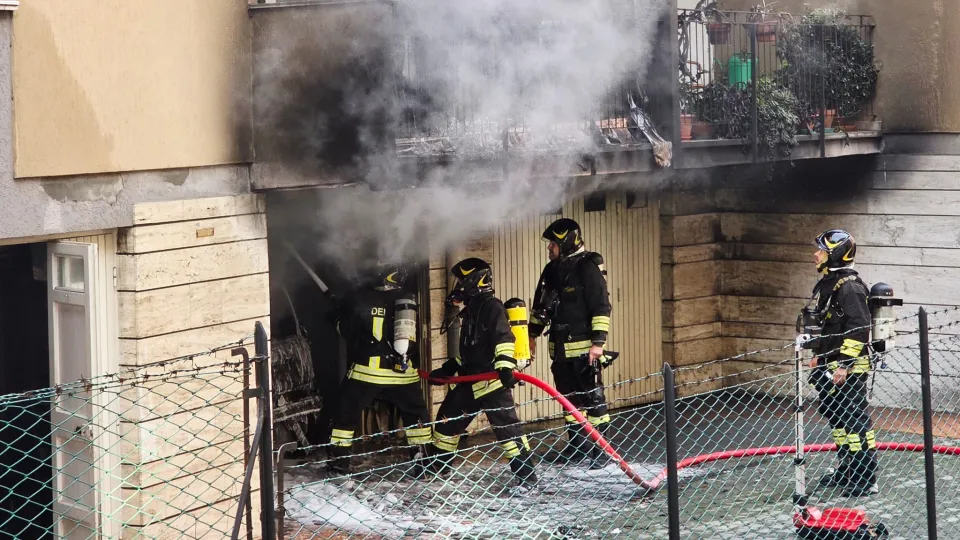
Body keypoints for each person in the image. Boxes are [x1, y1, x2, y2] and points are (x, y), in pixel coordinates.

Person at [426, 258, 538, 494]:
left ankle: (527, 478)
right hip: (470, 381)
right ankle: (438, 469)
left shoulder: (492, 306)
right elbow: (472, 350)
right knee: (447, 422)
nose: (458, 285)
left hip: (491, 382)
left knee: (508, 432)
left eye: (461, 280)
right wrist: (450, 367)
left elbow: (503, 340)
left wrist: (506, 368)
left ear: (473, 281)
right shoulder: (472, 310)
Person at [327, 263, 432, 477]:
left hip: (368, 373)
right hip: (403, 374)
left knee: (345, 415)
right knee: (416, 416)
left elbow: (346, 331)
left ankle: (339, 464)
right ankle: (424, 462)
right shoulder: (407, 303)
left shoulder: (364, 300)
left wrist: (338, 317)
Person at [528, 217, 615, 469]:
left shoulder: (588, 267)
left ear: (566, 242)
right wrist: (532, 335)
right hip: (559, 349)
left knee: (593, 399)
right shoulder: (551, 270)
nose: (549, 249)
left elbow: (601, 307)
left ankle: (602, 450)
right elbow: (540, 308)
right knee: (570, 401)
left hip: (585, 349)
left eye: (553, 244)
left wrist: (598, 343)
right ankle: (577, 446)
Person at [806, 229, 878, 497]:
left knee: (855, 422)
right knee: (838, 420)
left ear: (835, 254)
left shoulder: (850, 287)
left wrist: (844, 365)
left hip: (848, 370)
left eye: (821, 250)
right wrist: (820, 356)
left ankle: (865, 477)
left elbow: (859, 327)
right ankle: (847, 469)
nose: (815, 255)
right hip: (830, 366)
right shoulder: (830, 284)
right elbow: (829, 328)